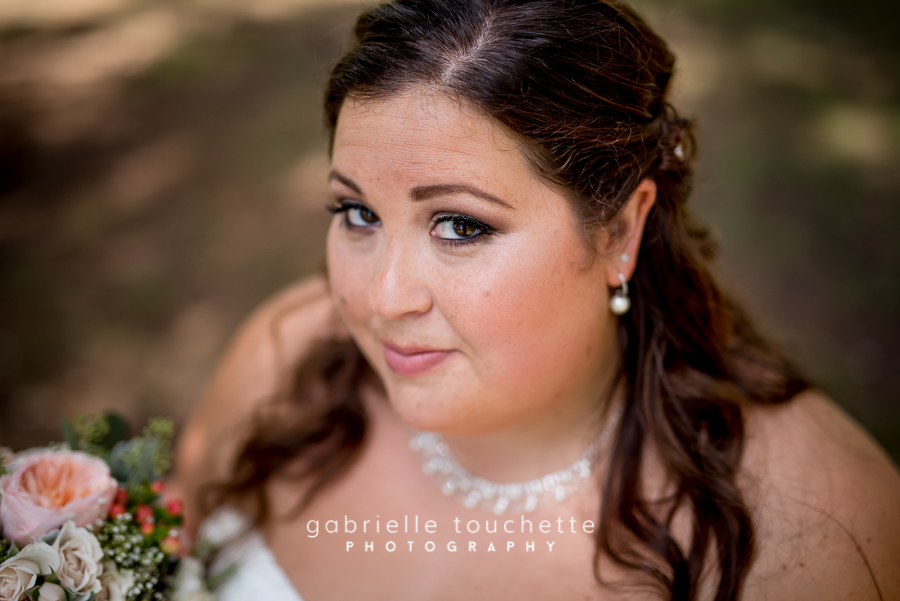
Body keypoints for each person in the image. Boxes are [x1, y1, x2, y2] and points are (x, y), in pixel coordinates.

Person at [169, 0, 900, 599]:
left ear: (620, 230)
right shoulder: (284, 361)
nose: (382, 299)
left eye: (460, 226)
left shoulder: (818, 533)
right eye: (358, 213)